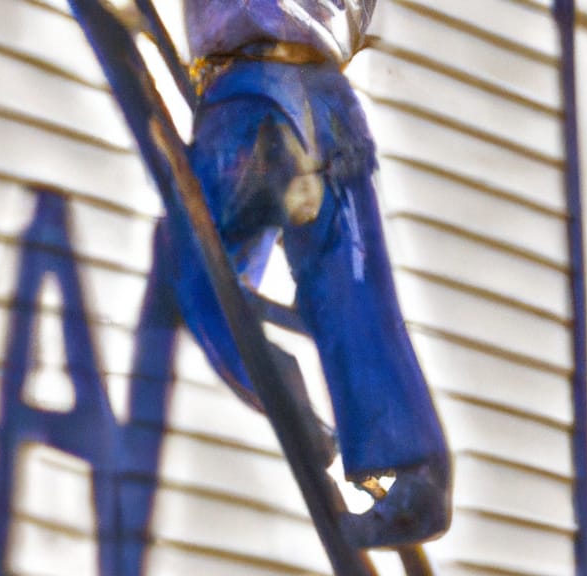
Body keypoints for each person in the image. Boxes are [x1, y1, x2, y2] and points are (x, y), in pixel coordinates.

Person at [134, 0, 452, 548]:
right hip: (329, 100)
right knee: (353, 292)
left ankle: (277, 382)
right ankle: (414, 479)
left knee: (194, 263)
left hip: (250, 97)